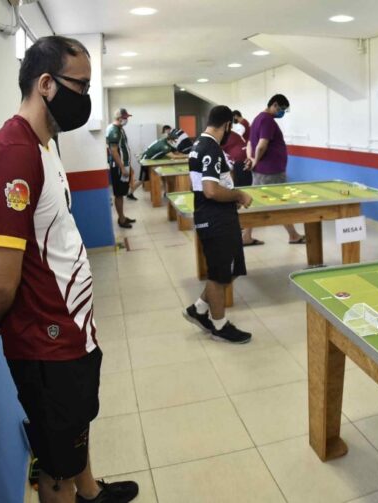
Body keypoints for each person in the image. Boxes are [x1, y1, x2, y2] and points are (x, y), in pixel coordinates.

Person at [0, 36, 138, 503]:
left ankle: (89, 492)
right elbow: (0, 282)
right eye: (80, 86)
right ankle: (72, 490)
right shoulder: (15, 155)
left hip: (69, 326)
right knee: (55, 465)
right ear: (45, 84)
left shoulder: (42, 146)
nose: (85, 98)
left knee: (74, 428)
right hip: (47, 340)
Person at [182, 106, 254, 343]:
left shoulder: (197, 147)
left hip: (213, 218)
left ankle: (199, 308)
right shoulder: (211, 148)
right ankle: (220, 326)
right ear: (226, 126)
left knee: (228, 270)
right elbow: (211, 191)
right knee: (219, 275)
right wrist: (238, 195)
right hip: (216, 219)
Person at [246, 94, 305, 245]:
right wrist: (255, 160)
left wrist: (251, 160)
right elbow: (261, 145)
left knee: (256, 202)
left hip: (262, 169)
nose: (282, 112)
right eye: (282, 109)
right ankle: (293, 235)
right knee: (280, 202)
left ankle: (247, 236)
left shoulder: (257, 118)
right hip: (271, 171)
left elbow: (249, 144)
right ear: (275, 105)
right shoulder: (267, 120)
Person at [130, 128, 192, 198]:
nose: (176, 142)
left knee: (164, 177)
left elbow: (177, 153)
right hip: (147, 161)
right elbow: (173, 156)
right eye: (175, 141)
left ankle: (166, 193)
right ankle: (130, 193)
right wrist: (187, 156)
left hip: (154, 161)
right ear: (170, 139)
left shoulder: (168, 142)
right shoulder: (163, 145)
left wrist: (185, 155)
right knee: (141, 180)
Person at [106, 108, 137, 225]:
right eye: (125, 118)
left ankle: (122, 217)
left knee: (122, 193)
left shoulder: (119, 129)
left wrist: (128, 166)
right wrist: (123, 168)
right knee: (119, 194)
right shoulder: (114, 130)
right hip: (119, 167)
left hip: (123, 165)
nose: (127, 120)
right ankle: (121, 220)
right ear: (119, 118)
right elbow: (113, 151)